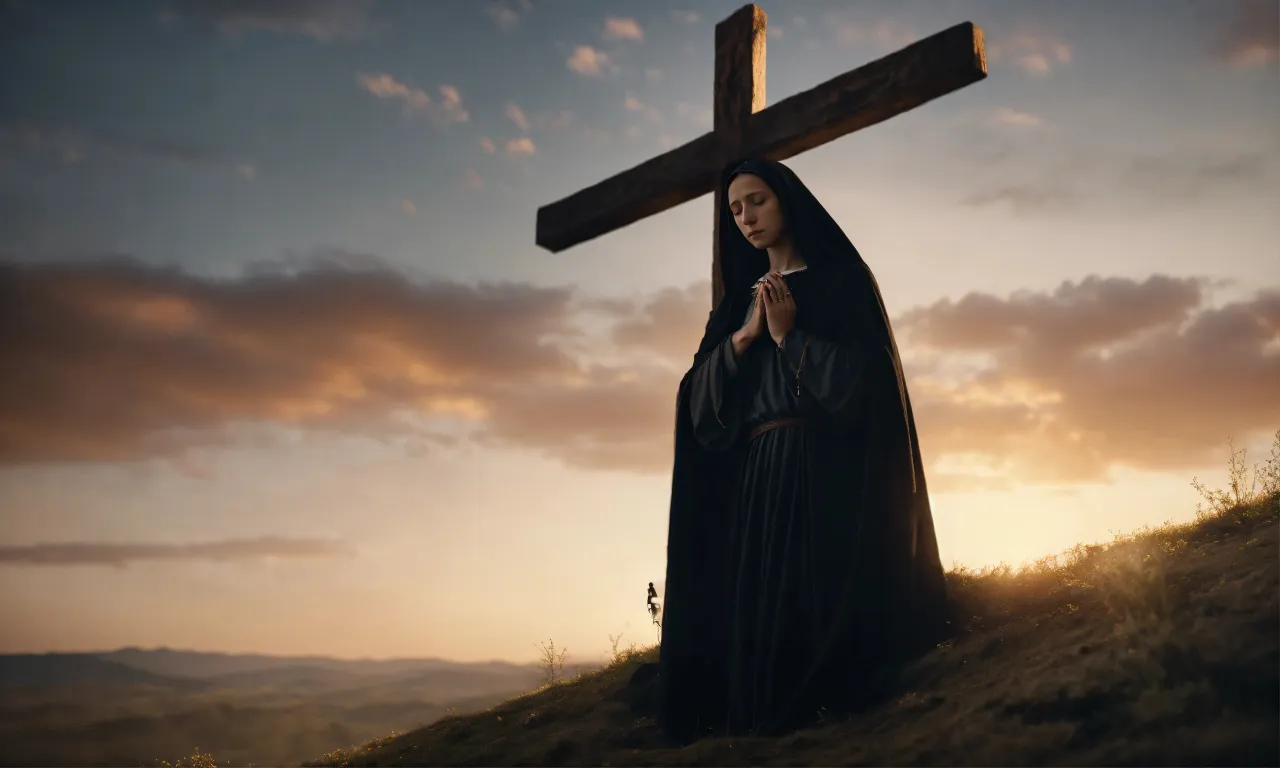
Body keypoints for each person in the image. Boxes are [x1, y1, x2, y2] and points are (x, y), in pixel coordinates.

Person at [657, 158, 949, 743]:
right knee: (761, 597)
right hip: (758, 474)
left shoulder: (843, 281)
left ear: (786, 199)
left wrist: (791, 337)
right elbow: (695, 403)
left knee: (813, 586)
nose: (746, 218)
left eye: (757, 201)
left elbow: (869, 386)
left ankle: (824, 717)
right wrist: (743, 340)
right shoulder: (733, 308)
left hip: (825, 467)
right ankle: (760, 721)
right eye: (735, 209)